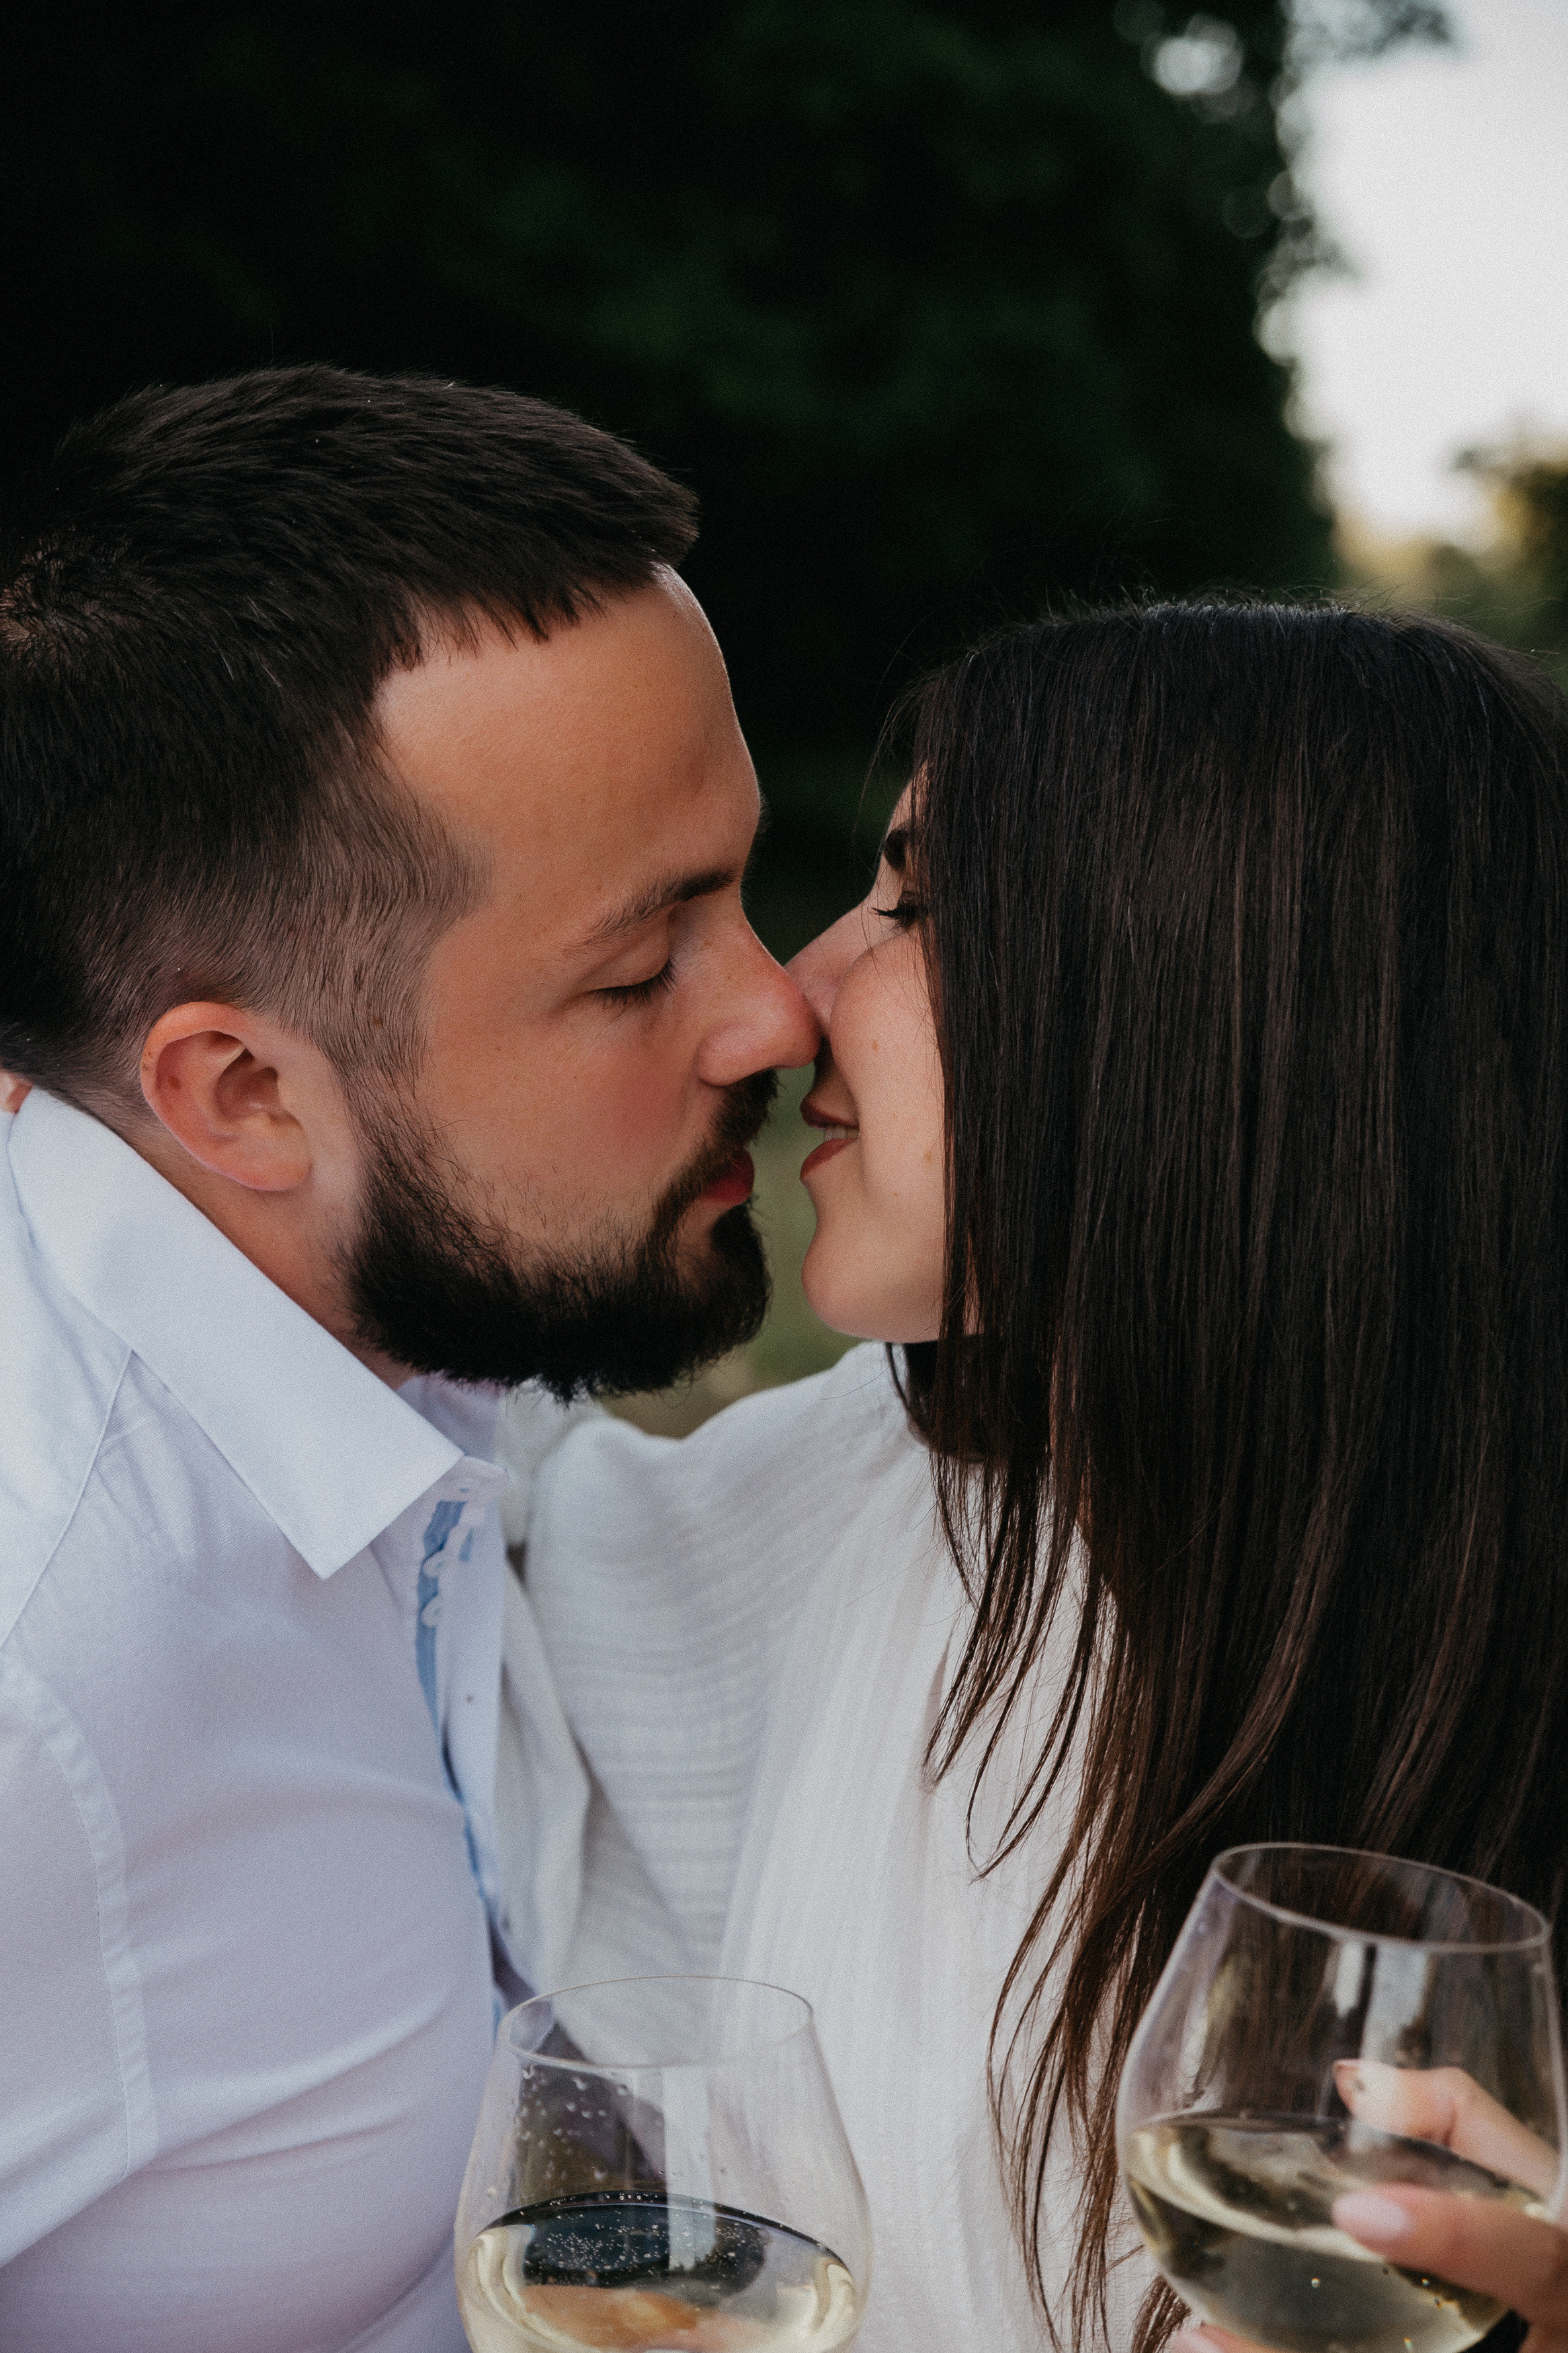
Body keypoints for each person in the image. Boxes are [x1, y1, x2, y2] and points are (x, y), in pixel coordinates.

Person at [504, 601, 1568, 2352]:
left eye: (917, 910)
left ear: (1215, 1017)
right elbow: (426, 1543)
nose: (790, 998)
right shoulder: (864, 1505)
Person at [0, 365, 818, 2350]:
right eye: (639, 968)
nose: (774, 1016)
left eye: (740, 891)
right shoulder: (44, 1678)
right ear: (245, 1095)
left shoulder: (392, 1309)